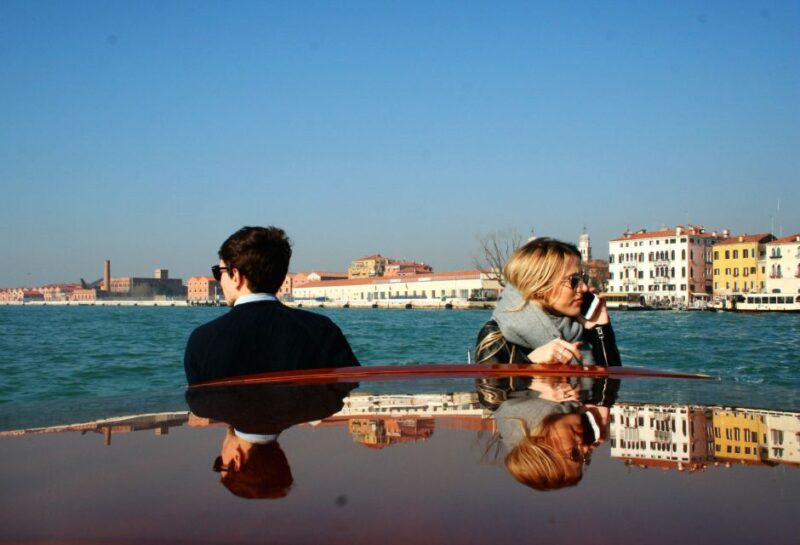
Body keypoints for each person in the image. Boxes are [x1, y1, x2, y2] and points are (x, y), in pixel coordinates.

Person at [184, 226, 359, 385]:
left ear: (236, 276)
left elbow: (202, 407)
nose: (219, 280)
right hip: (300, 418)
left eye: (219, 272)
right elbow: (352, 389)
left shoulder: (201, 340)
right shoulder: (323, 330)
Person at [475, 237, 621, 367]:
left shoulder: (581, 327)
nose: (584, 288)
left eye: (584, 279)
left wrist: (600, 330)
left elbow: (610, 390)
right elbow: (491, 395)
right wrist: (530, 365)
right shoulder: (495, 337)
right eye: (574, 280)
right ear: (540, 286)